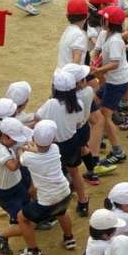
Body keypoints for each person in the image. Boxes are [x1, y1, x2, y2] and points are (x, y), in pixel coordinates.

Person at [10, 120, 75, 255]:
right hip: (65, 191)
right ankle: (69, 238)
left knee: (22, 218)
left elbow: (21, 156)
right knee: (62, 212)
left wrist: (22, 148)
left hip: (47, 199)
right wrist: (32, 149)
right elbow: (41, 152)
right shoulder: (55, 149)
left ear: (34, 137)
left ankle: (34, 252)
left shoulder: (28, 157)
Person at [36, 70, 89, 217]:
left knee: (54, 175)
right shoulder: (78, 103)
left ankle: (55, 206)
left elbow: (38, 116)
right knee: (75, 172)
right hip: (72, 142)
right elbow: (78, 122)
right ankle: (83, 201)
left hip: (55, 146)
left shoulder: (51, 103)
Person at [90, 6, 128, 167]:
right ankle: (100, 137)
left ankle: (118, 151)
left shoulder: (115, 41)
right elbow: (96, 50)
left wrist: (97, 71)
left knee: (104, 115)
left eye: (104, 18)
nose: (101, 20)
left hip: (117, 82)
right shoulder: (104, 34)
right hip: (111, 80)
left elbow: (114, 64)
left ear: (109, 22)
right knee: (96, 102)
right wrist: (94, 61)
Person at [0, 118, 32, 255]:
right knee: (25, 225)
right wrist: (21, 154)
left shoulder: (7, 145)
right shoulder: (0, 150)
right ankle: (1, 236)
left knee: (28, 217)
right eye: (14, 139)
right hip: (8, 195)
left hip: (18, 187)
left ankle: (14, 222)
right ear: (4, 136)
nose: (16, 142)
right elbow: (13, 166)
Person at [56, 0, 89, 69]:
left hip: (60, 72)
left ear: (67, 16)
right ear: (87, 15)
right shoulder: (80, 35)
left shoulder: (68, 30)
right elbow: (76, 63)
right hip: (70, 75)